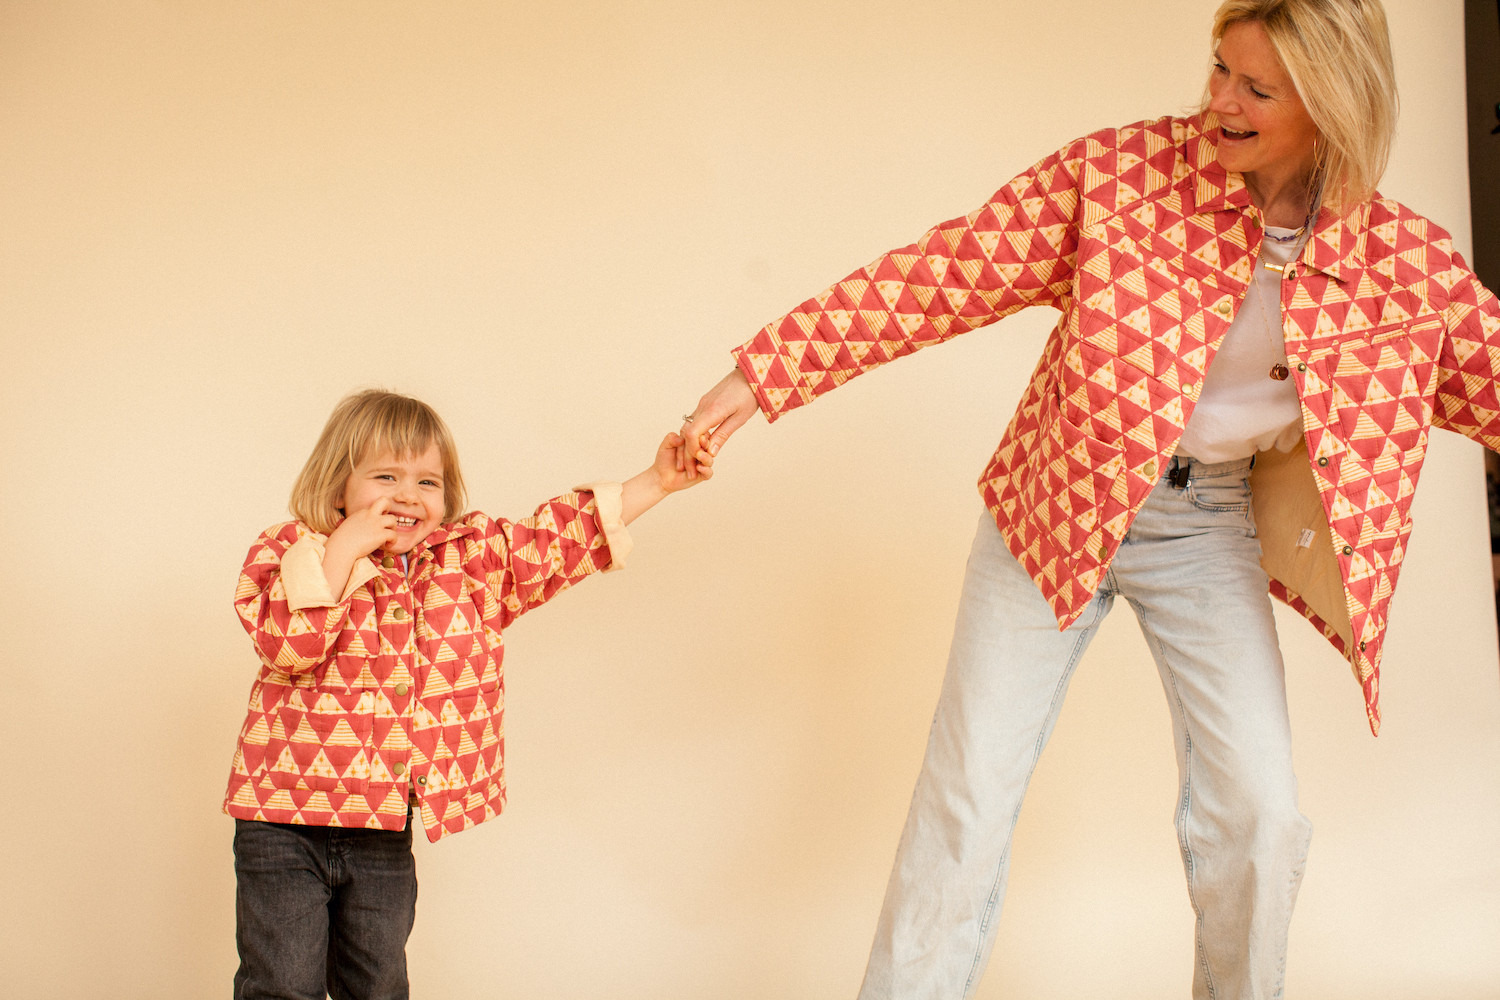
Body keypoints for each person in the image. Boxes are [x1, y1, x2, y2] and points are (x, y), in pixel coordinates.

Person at [679, 1, 1500, 997]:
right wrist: (763, 375)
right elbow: (942, 274)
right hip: (1053, 504)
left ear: (1331, 103)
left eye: (1256, 88)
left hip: (1206, 527)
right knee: (966, 800)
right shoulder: (1121, 177)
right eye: (1220, 69)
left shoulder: (1402, 269)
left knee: (1262, 816)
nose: (1219, 101)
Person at [224, 388, 713, 1000]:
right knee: (282, 984)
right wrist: (345, 547)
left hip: (383, 826)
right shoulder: (293, 551)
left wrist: (658, 481)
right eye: (386, 476)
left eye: (428, 482)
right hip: (280, 822)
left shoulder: (466, 564)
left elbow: (556, 540)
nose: (408, 495)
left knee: (377, 984)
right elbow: (290, 646)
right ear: (337, 484)